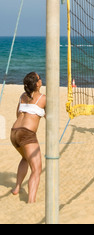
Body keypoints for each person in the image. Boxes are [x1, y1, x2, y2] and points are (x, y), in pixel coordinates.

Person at [10, 72, 46, 203]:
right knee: (37, 169)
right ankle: (31, 201)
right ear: (37, 84)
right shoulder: (43, 98)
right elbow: (50, 117)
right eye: (40, 78)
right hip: (26, 134)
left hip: (14, 133)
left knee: (25, 158)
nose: (41, 79)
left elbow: (17, 114)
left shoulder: (22, 96)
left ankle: (17, 188)